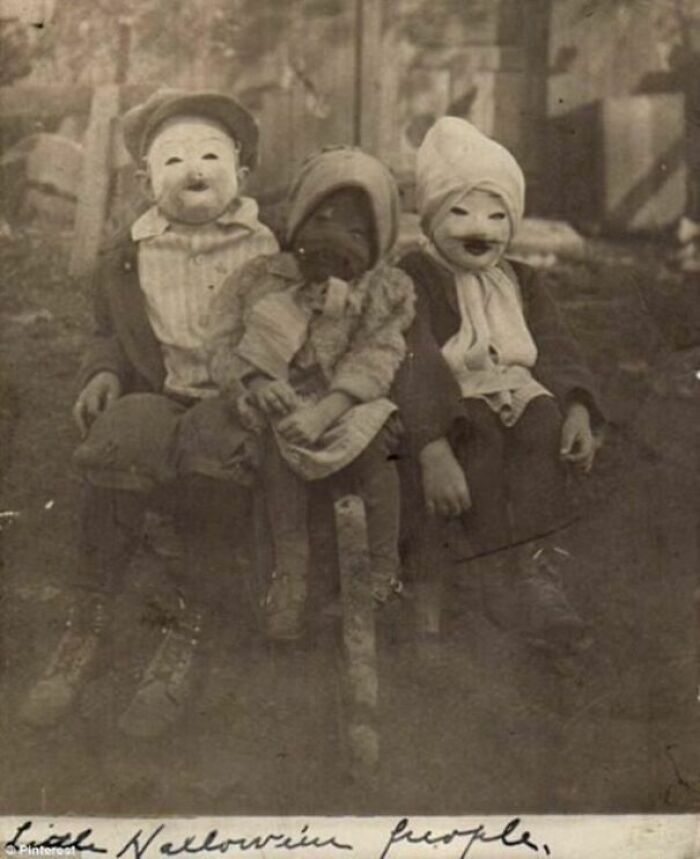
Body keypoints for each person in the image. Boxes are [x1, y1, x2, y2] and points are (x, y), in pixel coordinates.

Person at [21, 89, 278, 736]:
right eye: (174, 159)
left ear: (242, 175)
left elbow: (287, 329)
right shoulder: (128, 254)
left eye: (211, 155)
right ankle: (89, 616)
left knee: (214, 467)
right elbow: (109, 329)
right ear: (145, 179)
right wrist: (103, 370)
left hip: (231, 395)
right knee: (116, 443)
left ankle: (187, 624)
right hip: (158, 389)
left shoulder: (268, 251)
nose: (194, 168)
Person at [396, 116, 605, 656]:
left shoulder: (521, 281)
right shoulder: (416, 276)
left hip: (516, 387)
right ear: (430, 219)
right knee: (481, 434)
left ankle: (532, 569)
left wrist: (577, 406)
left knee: (543, 425)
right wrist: (430, 439)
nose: (478, 229)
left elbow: (555, 344)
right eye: (459, 213)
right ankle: (490, 572)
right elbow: (412, 355)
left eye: (496, 216)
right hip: (454, 396)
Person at [208, 147, 415, 640]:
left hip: (347, 403)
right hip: (282, 401)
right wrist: (256, 382)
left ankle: (382, 574)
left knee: (376, 459)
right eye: (320, 219)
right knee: (278, 459)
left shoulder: (384, 290)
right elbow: (221, 341)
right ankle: (290, 575)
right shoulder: (259, 278)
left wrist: (330, 408)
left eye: (357, 231)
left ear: (380, 238)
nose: (334, 239)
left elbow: (378, 354)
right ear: (298, 217)